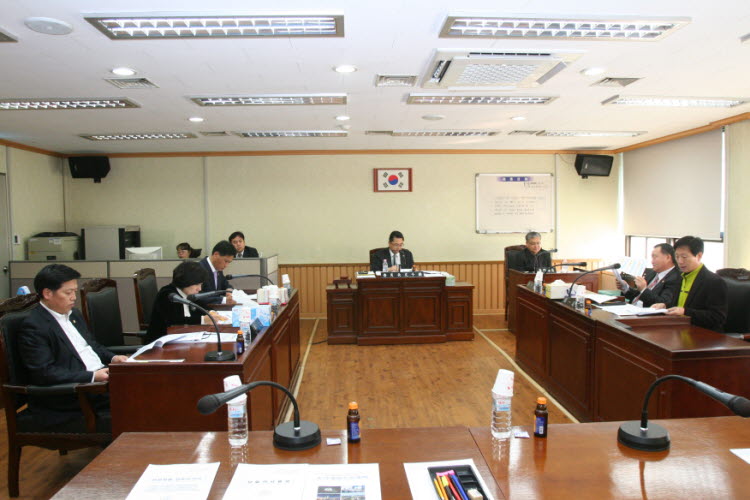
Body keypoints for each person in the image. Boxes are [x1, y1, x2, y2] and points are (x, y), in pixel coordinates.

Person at [17, 264, 128, 429]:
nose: (74, 297)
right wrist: (92, 376)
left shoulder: (74, 314)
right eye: (68, 293)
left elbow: (92, 345)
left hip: (100, 382)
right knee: (146, 398)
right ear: (47, 293)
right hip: (74, 394)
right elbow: (45, 373)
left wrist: (113, 357)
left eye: (74, 291)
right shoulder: (34, 326)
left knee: (152, 386)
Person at [653, 236, 728, 332]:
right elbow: (680, 304)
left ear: (699, 256)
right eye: (677, 257)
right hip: (679, 330)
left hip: (703, 334)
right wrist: (665, 306)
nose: (680, 261)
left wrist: (685, 312)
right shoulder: (680, 277)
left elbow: (718, 317)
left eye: (684, 257)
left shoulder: (714, 281)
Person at [145, 261, 209, 343]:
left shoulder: (188, 292)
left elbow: (202, 306)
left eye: (201, 284)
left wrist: (211, 312)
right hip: (162, 342)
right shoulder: (167, 294)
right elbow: (174, 320)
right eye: (197, 284)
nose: (199, 289)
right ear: (186, 281)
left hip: (183, 338)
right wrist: (203, 320)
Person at [616, 243, 681, 308]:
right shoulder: (650, 272)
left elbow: (663, 303)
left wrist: (644, 289)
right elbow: (635, 295)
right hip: (631, 308)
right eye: (652, 257)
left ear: (668, 257)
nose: (652, 262)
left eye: (655, 257)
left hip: (647, 313)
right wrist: (625, 288)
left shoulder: (676, 278)